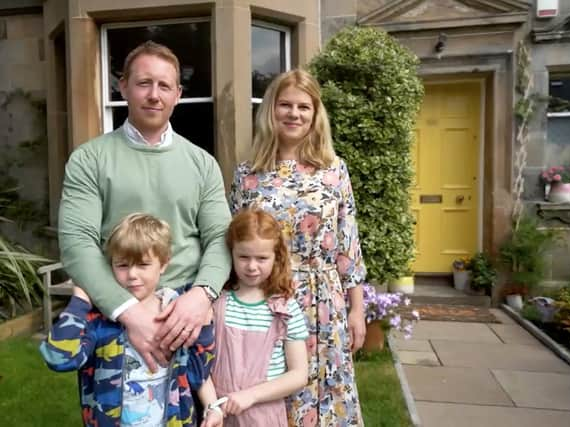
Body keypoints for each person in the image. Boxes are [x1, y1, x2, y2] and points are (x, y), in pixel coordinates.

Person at [57, 41, 231, 372]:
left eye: (164, 85)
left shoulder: (202, 164)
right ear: (123, 87)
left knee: (190, 419)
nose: (154, 95)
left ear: (177, 94)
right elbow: (77, 243)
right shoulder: (89, 159)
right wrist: (129, 311)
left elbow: (221, 237)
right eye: (144, 83)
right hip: (113, 315)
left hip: (186, 319)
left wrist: (201, 295)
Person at [229, 69, 367, 426]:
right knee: (266, 387)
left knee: (323, 391)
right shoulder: (248, 174)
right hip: (266, 298)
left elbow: (348, 244)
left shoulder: (334, 170)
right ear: (270, 110)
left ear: (315, 114)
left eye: (304, 107)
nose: (294, 114)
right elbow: (233, 242)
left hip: (323, 301)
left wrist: (356, 309)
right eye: (285, 105)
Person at [40, 213, 224, 427]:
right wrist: (80, 301)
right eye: (123, 265)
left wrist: (203, 328)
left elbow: (197, 371)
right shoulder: (99, 320)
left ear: (164, 264)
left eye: (143, 264)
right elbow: (58, 359)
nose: (132, 275)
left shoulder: (176, 312)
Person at [212, 208, 308, 426]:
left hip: (264, 416)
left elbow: (299, 374)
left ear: (277, 257)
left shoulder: (285, 309)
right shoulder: (217, 303)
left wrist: (251, 395)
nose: (252, 266)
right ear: (231, 253)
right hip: (219, 414)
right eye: (243, 257)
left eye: (262, 258)